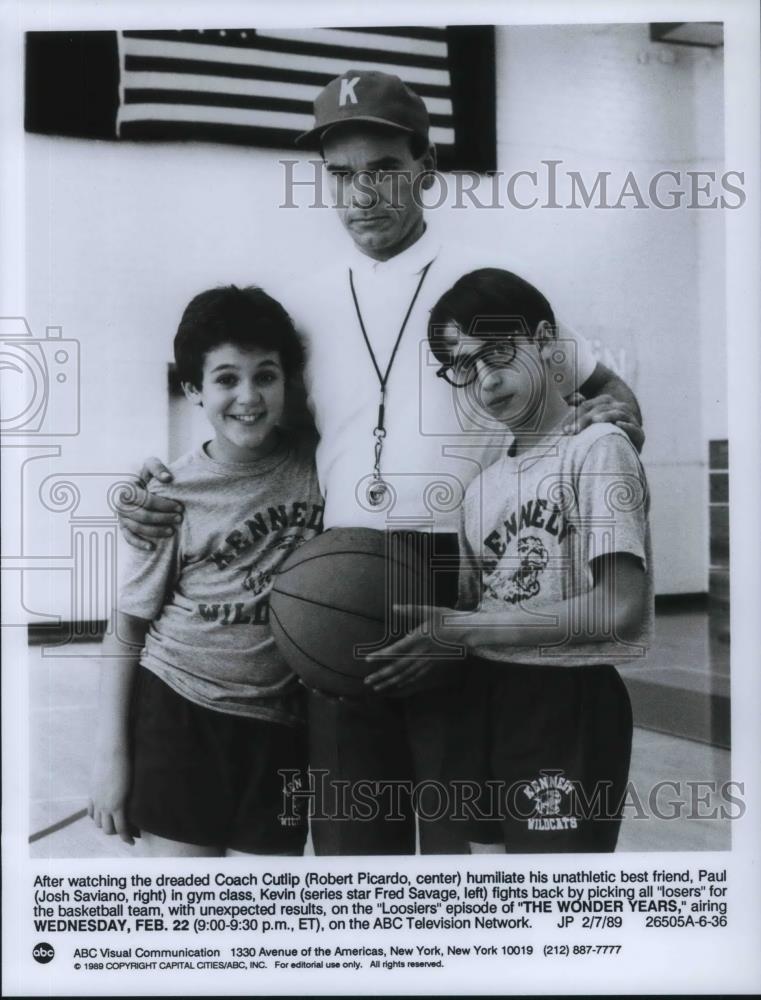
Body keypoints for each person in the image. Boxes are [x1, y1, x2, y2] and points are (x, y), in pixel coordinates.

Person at [117, 71, 644, 855]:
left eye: (383, 170)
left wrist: (620, 417)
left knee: (463, 846)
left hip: (455, 573)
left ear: (424, 168)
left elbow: (606, 393)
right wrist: (153, 486)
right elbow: (250, 431)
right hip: (333, 573)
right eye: (341, 175)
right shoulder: (305, 304)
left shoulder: (482, 293)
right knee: (352, 844)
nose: (362, 193)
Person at [367, 268, 652, 852]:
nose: (487, 380)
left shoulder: (597, 449)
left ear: (547, 342)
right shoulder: (481, 488)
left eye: (498, 352)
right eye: (464, 367)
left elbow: (618, 608)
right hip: (487, 694)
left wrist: (462, 628)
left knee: (553, 906)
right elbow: (488, 605)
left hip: (567, 700)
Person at [89, 285, 324, 856]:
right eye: (225, 379)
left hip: (279, 724)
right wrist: (110, 759)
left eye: (264, 376)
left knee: (261, 924)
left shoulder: (318, 462)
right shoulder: (173, 492)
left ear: (286, 381)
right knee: (189, 914)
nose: (248, 396)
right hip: (180, 711)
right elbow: (126, 629)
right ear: (193, 389)